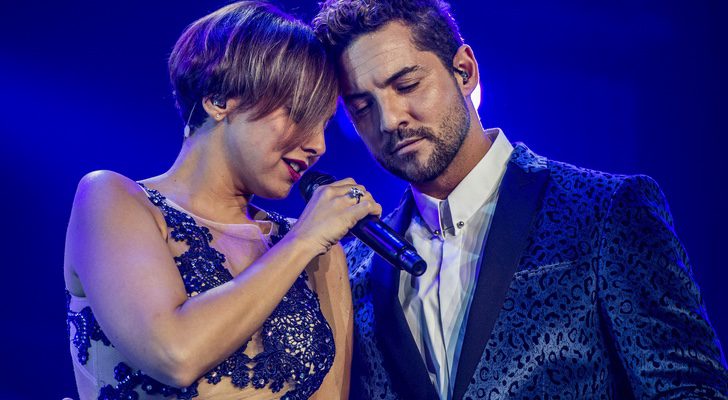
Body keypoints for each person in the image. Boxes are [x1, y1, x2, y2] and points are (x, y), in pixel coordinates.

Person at [312, 0, 728, 399]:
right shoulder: (355, 268)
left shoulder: (605, 210)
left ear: (465, 71)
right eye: (363, 106)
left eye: (406, 85)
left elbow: (689, 390)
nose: (390, 120)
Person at [64, 2, 382, 399]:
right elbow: (174, 353)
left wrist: (305, 241)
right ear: (219, 99)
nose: (318, 145)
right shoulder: (113, 199)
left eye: (324, 125)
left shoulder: (316, 249)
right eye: (299, 114)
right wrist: (301, 241)